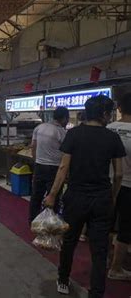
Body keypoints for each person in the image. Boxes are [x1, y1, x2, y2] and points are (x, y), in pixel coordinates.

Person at [44, 95, 125, 297]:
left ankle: (63, 280)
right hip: (101, 198)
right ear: (105, 114)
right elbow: (119, 173)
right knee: (99, 249)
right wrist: (112, 195)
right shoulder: (112, 137)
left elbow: (63, 168)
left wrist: (53, 195)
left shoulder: (74, 134)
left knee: (69, 241)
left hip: (76, 196)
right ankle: (96, 292)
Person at [29, 107, 69, 223]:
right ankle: (50, 223)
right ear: (65, 118)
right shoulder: (61, 132)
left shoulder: (39, 127)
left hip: (39, 165)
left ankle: (33, 220)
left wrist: (37, 161)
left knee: (36, 195)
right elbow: (66, 154)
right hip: (54, 169)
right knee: (53, 197)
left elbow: (33, 147)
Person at [107, 93, 131, 281]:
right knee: (125, 228)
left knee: (106, 224)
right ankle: (116, 268)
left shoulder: (108, 129)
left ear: (119, 108)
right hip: (129, 186)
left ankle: (107, 259)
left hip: (107, 184)